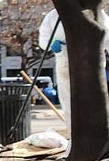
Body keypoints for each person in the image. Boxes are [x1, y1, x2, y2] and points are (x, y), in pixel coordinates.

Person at [36, 8, 109, 137]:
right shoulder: (55, 15)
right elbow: (43, 39)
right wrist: (52, 43)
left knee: (94, 101)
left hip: (92, 60)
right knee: (69, 102)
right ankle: (76, 137)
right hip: (65, 59)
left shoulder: (97, 12)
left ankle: (97, 136)